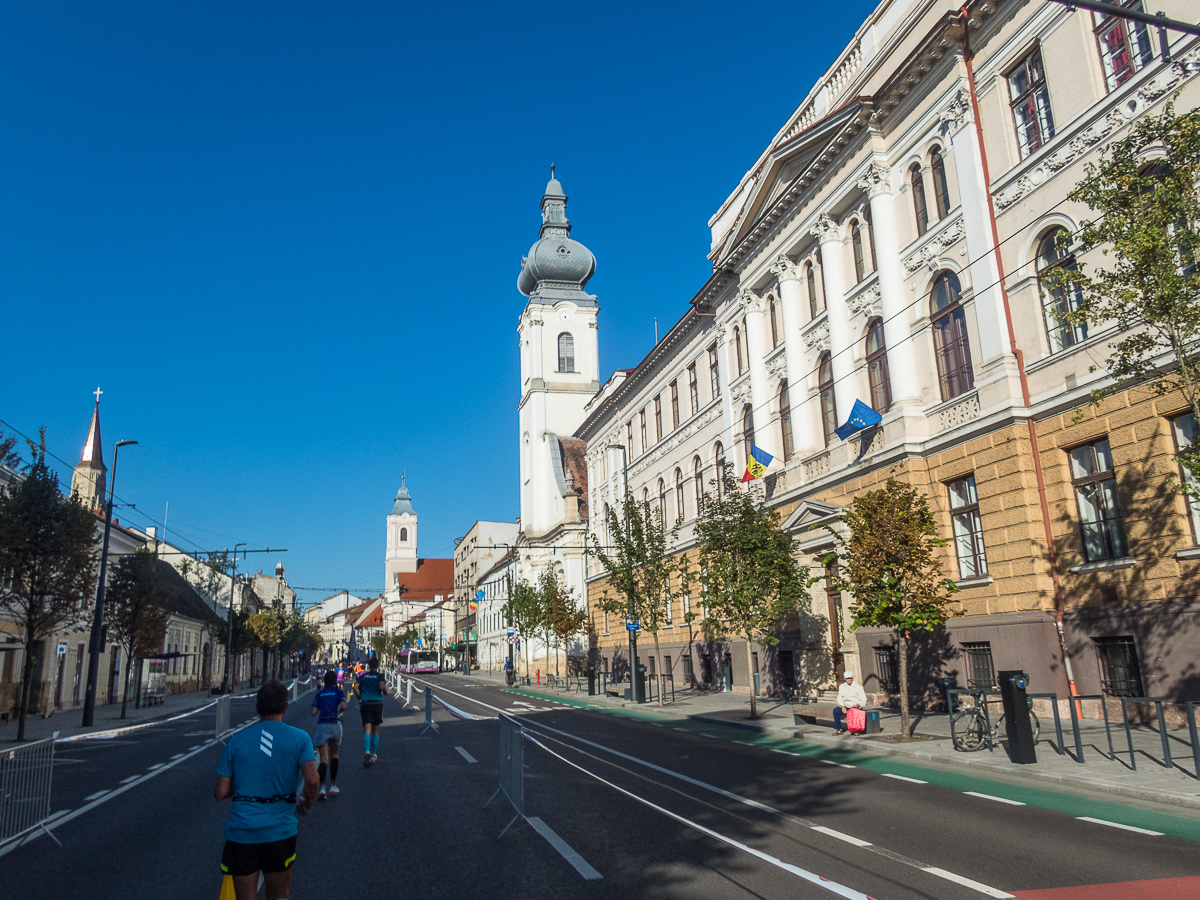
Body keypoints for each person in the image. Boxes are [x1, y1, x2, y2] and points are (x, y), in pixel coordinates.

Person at [214, 680, 320, 900]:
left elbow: (220, 792)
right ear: (285, 707)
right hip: (279, 832)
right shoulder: (301, 738)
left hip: (242, 833)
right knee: (279, 894)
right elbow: (311, 780)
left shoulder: (236, 742)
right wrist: (306, 804)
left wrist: (245, 781)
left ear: (257, 708)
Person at [310, 670, 347, 800]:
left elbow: (313, 712)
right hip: (335, 724)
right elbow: (344, 706)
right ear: (335, 680)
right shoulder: (339, 692)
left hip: (322, 725)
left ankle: (322, 787)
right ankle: (333, 784)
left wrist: (319, 706)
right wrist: (341, 709)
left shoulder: (319, 694)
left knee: (323, 758)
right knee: (335, 754)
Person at [353, 656, 388, 767]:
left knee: (366, 729)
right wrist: (385, 692)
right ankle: (373, 754)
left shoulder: (363, 676)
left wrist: (359, 697)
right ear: (377, 666)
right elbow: (382, 686)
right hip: (377, 703)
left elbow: (355, 688)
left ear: (369, 665)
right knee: (376, 729)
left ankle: (366, 751)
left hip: (366, 703)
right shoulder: (379, 676)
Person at [833, 671, 868, 735]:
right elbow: (839, 698)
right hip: (845, 705)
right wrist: (842, 706)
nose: (849, 680)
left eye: (850, 678)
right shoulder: (842, 687)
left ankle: (855, 730)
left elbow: (863, 699)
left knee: (853, 713)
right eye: (847, 678)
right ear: (844, 679)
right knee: (836, 711)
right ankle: (838, 729)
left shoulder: (858, 687)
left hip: (854, 706)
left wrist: (859, 704)